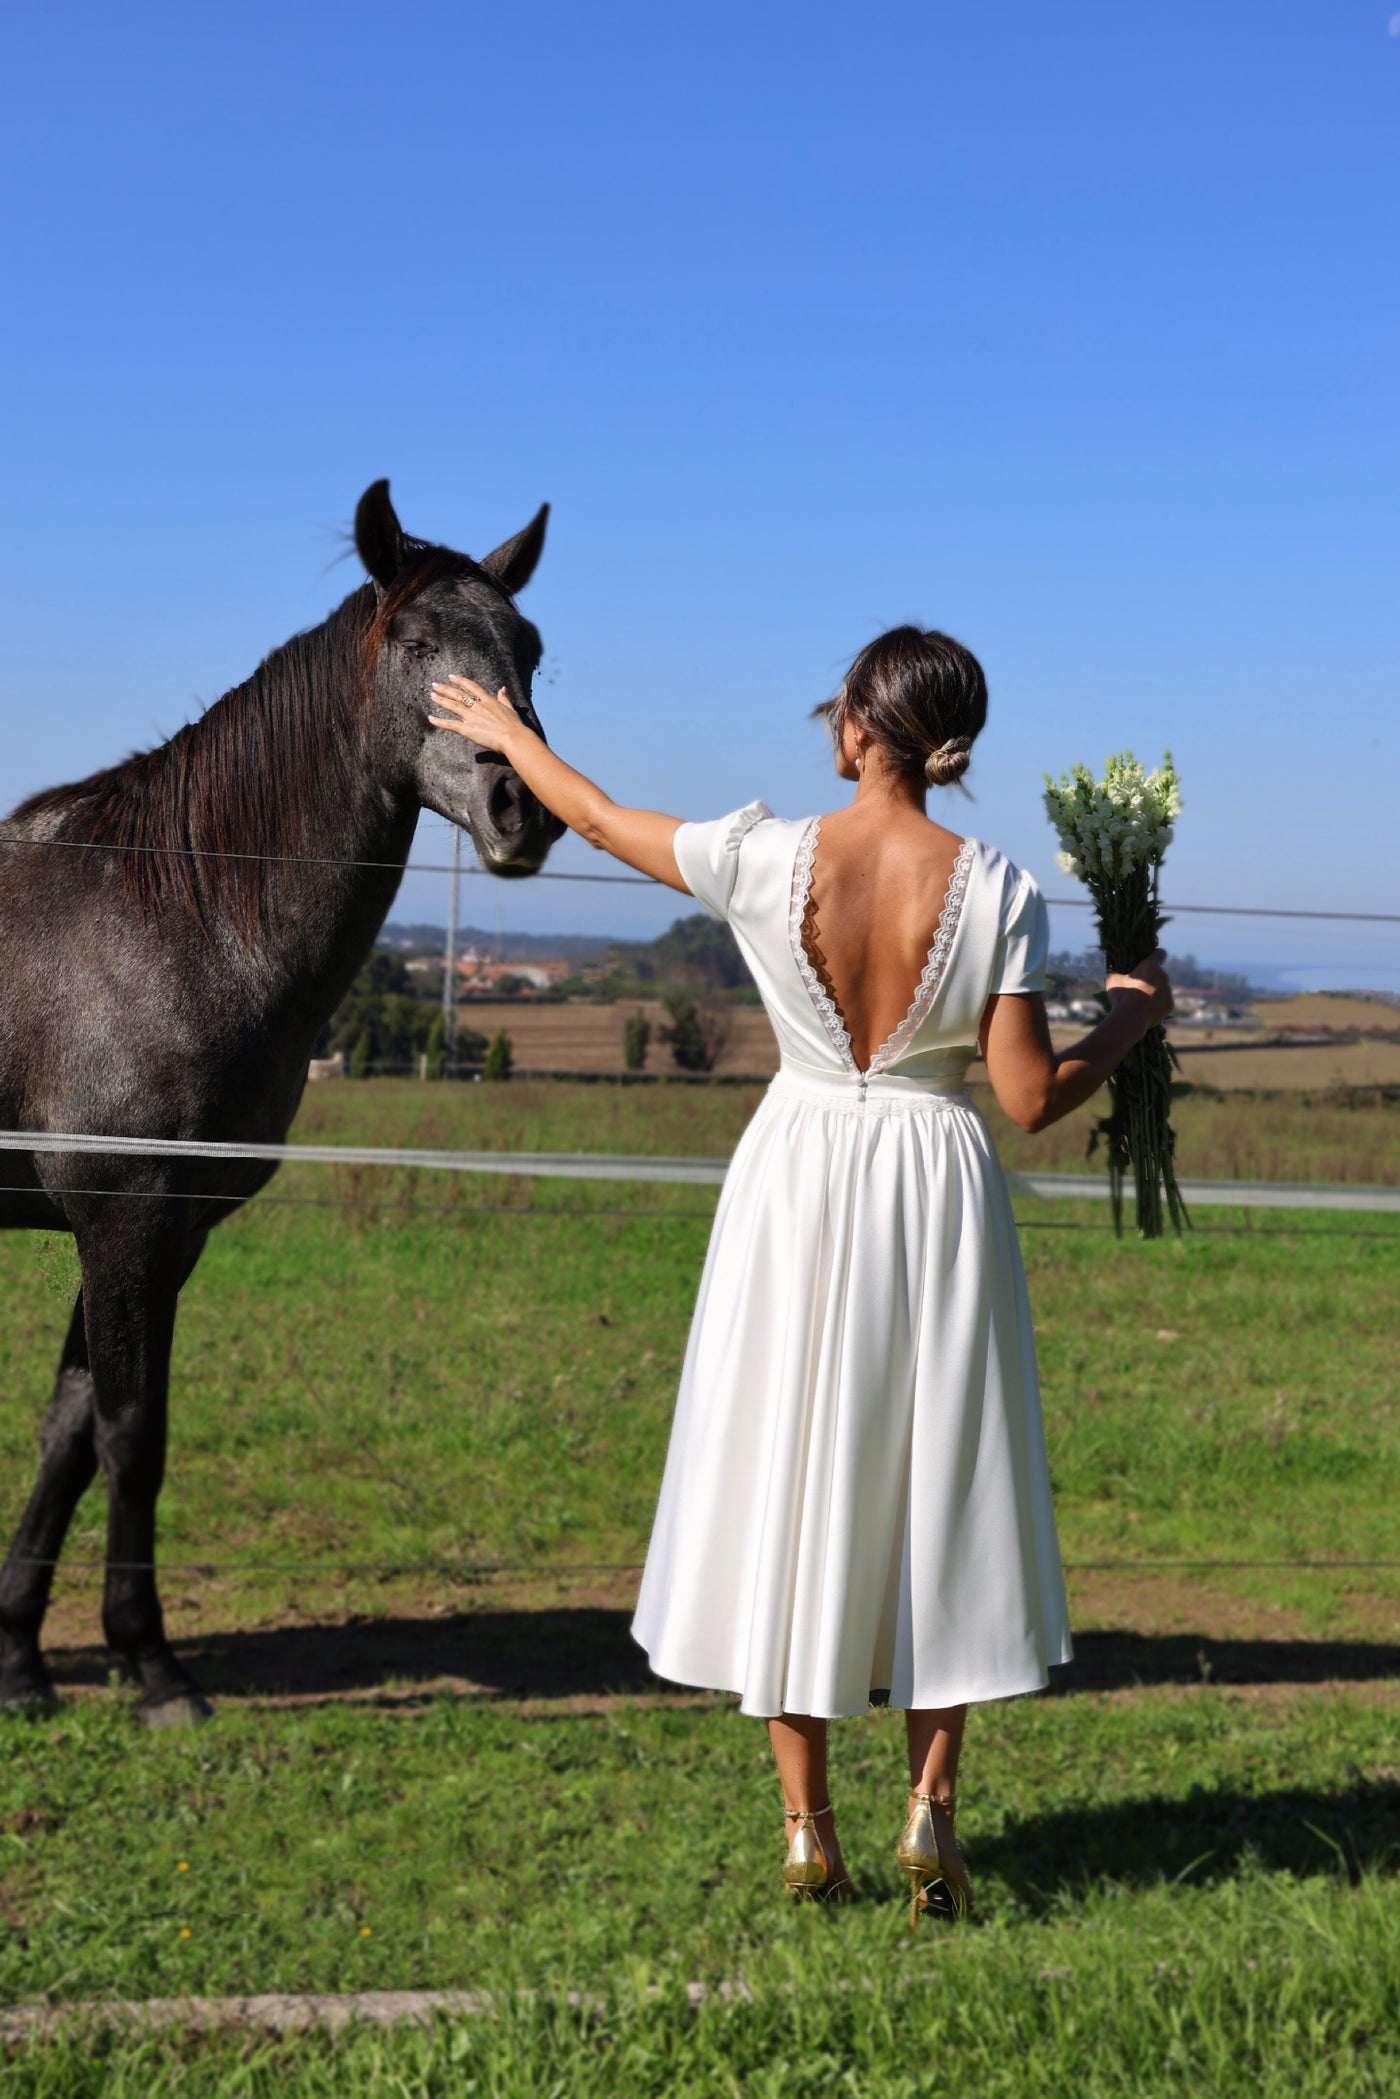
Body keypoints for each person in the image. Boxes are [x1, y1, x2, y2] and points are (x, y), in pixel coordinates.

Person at [428, 627, 1171, 1924]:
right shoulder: (997, 887)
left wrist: (512, 738)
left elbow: (600, 822)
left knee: (792, 1480)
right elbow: (1030, 1100)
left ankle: (803, 1828)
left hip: (798, 1174)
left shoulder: (766, 858)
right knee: (938, 1486)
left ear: (858, 731)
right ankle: (931, 1808)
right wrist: (1133, 1014)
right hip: (934, 1185)